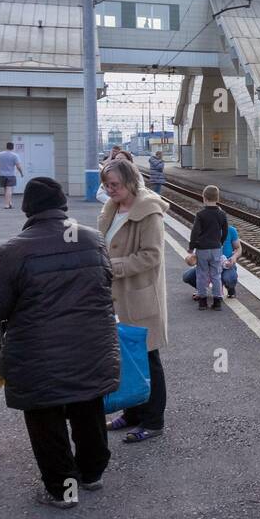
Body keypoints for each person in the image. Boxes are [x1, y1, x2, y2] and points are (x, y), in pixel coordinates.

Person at [0, 177, 118, 509]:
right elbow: (105, 284)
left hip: (39, 356)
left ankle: (62, 490)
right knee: (87, 405)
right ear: (62, 205)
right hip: (91, 347)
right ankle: (92, 474)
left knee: (46, 419)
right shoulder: (93, 239)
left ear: (28, 209)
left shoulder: (12, 250)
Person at [98, 157, 169, 443]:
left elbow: (152, 256)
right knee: (125, 359)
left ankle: (154, 421)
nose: (110, 189)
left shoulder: (149, 212)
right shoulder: (111, 208)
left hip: (139, 296)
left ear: (130, 181)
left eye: (114, 184)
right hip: (115, 298)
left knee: (149, 359)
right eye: (106, 184)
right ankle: (132, 414)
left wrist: (112, 267)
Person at [188, 185, 229, 311]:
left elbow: (195, 232)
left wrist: (191, 247)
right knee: (216, 274)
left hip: (202, 249)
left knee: (202, 274)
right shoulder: (222, 214)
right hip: (216, 248)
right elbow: (225, 231)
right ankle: (217, 301)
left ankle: (203, 302)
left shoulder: (200, 215)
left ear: (204, 198)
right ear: (217, 198)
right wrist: (220, 242)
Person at [183, 223, 240, 301]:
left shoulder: (230, 230)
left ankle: (230, 289)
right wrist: (191, 258)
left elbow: (238, 248)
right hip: (206, 267)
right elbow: (195, 254)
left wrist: (234, 257)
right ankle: (201, 291)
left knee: (228, 278)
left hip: (225, 264)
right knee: (188, 277)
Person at [0, 142, 24, 210]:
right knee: (9, 189)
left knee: (5, 189)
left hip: (2, 175)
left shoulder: (0, 154)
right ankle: (7, 204)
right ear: (13, 147)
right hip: (11, 175)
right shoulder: (15, 155)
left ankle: (9, 203)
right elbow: (18, 166)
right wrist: (21, 173)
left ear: (6, 146)